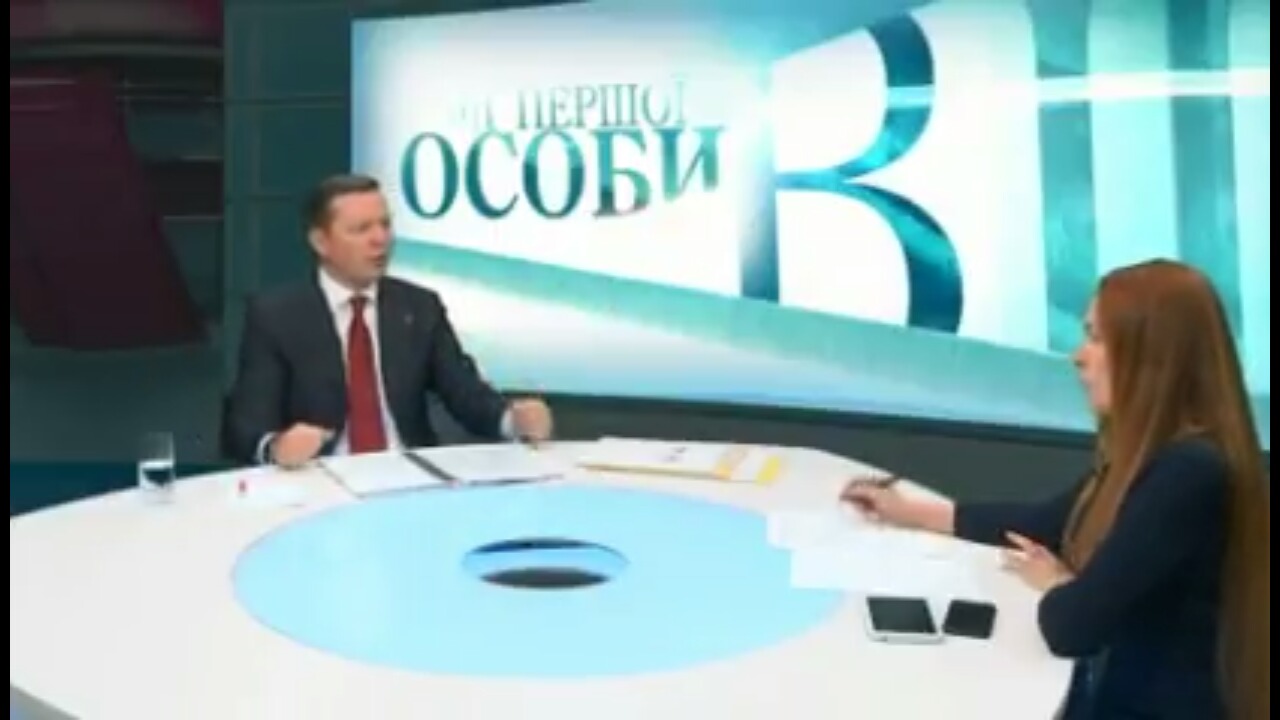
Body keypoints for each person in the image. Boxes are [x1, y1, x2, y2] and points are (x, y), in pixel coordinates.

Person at [843, 260, 1268, 719]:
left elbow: (1072, 627)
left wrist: (1056, 582)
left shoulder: (1188, 472)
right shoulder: (1152, 454)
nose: (1078, 357)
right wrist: (910, 512)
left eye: (1097, 339)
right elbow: (1049, 522)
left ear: (1152, 358)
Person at [225, 174, 553, 466]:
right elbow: (246, 426)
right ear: (321, 242)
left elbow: (464, 393)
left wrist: (513, 420)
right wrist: (277, 448)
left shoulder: (419, 306)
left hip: (408, 475)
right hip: (323, 480)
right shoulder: (277, 315)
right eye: (361, 229)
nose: (380, 239)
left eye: (385, 224)